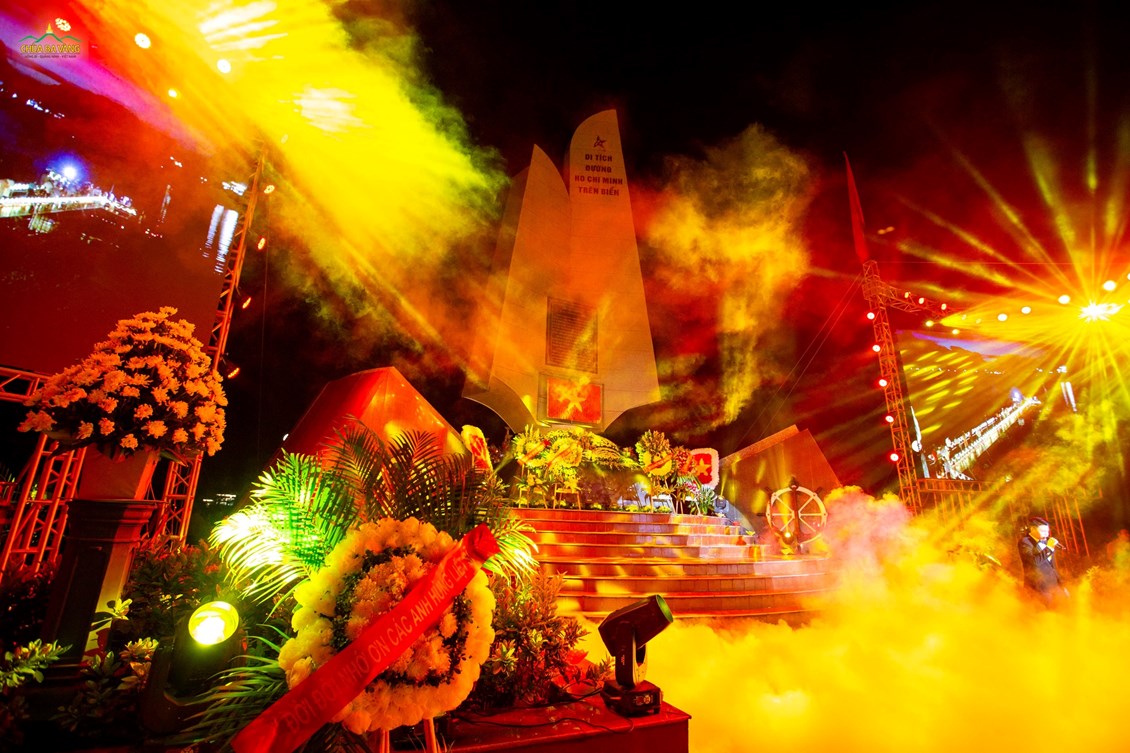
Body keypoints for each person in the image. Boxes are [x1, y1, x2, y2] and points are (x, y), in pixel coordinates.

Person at [1017, 516, 1067, 606]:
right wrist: (1049, 548)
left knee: (1063, 610)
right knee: (1045, 613)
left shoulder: (1046, 542)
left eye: (1047, 531)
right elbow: (1033, 562)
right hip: (1039, 589)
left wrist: (1061, 585)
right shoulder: (1025, 542)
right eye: (1043, 531)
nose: (1046, 534)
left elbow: (1052, 567)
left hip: (1054, 586)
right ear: (1033, 529)